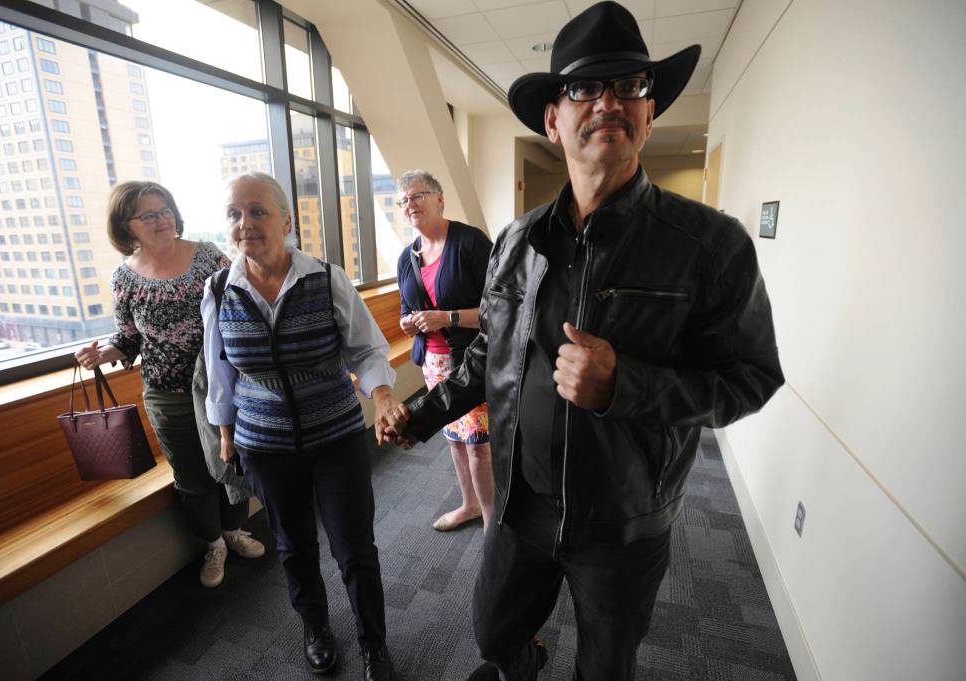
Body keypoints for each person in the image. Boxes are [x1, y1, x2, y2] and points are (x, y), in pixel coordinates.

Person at [384, 3, 785, 680]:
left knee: (605, 668)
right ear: (553, 119)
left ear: (649, 115)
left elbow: (752, 377)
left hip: (622, 523)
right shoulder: (516, 241)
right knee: (493, 633)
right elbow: (489, 355)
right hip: (522, 503)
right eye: (584, 88)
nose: (608, 101)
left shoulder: (710, 246)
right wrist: (421, 415)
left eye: (630, 86)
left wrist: (624, 384)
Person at [201, 172, 400, 681]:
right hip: (264, 443)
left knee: (354, 547)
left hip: (335, 434)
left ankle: (373, 643)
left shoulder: (326, 278)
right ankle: (316, 628)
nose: (245, 223)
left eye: (257, 211)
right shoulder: (219, 289)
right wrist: (225, 434)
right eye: (234, 214)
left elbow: (367, 349)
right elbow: (220, 374)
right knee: (292, 546)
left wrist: (380, 393)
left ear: (286, 221)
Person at [75, 181, 265, 590]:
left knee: (235, 461)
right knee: (192, 476)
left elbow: (241, 305)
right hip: (166, 394)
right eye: (148, 215)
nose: (161, 220)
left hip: (220, 384)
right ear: (126, 225)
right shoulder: (124, 278)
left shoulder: (207, 256)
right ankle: (213, 544)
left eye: (164, 210)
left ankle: (234, 529)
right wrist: (100, 355)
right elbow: (128, 339)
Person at [395, 169, 495, 532]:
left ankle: (492, 521)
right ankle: (470, 505)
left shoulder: (471, 242)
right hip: (433, 363)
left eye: (417, 195)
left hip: (472, 360)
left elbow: (500, 310)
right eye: (403, 200)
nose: (410, 204)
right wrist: (408, 324)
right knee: (454, 439)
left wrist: (446, 317)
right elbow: (407, 311)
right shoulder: (406, 257)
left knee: (479, 445)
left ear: (439, 199)